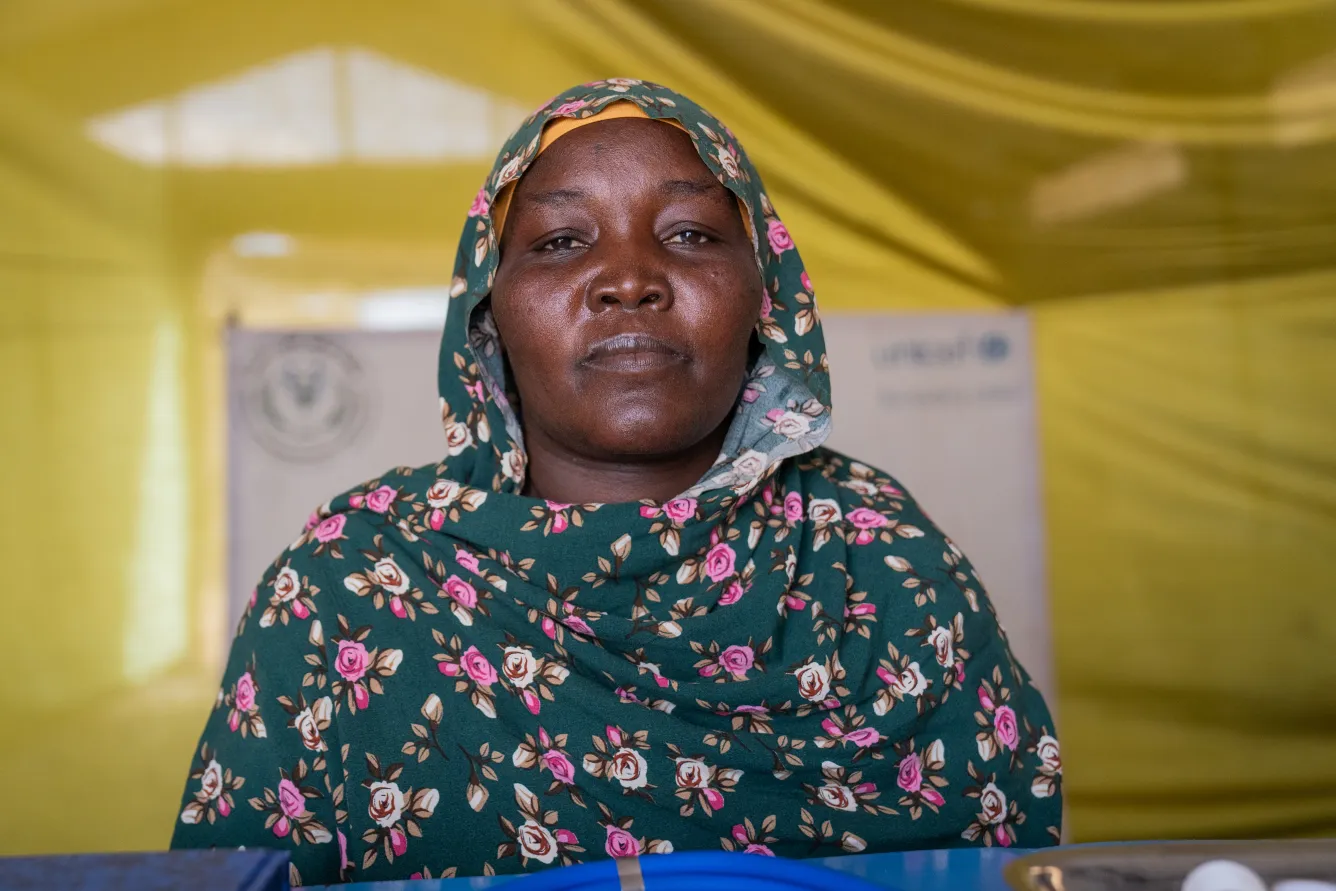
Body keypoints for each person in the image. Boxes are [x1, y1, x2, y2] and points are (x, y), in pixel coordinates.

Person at [171, 80, 1062, 885]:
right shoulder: (350, 583)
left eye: (689, 234)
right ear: (486, 315)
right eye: (561, 241)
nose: (630, 280)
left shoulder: (883, 556)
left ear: (766, 297)